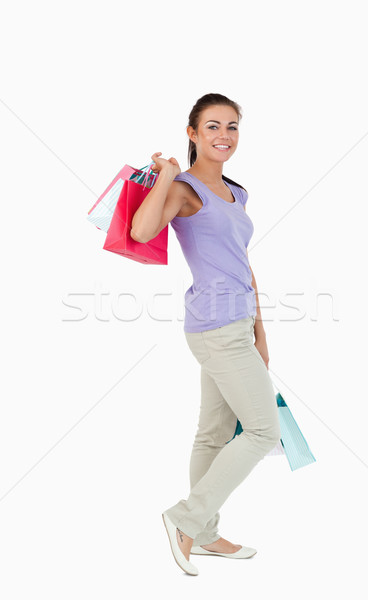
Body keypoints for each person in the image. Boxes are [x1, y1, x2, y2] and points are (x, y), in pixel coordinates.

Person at [130, 93, 281, 576]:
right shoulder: (185, 189)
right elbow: (141, 228)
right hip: (215, 327)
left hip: (237, 324)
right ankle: (186, 519)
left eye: (232, 127)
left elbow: (244, 264)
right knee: (261, 431)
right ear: (192, 133)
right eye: (213, 126)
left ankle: (207, 535)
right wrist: (167, 177)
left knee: (214, 434)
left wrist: (260, 331)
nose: (224, 136)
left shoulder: (237, 193)